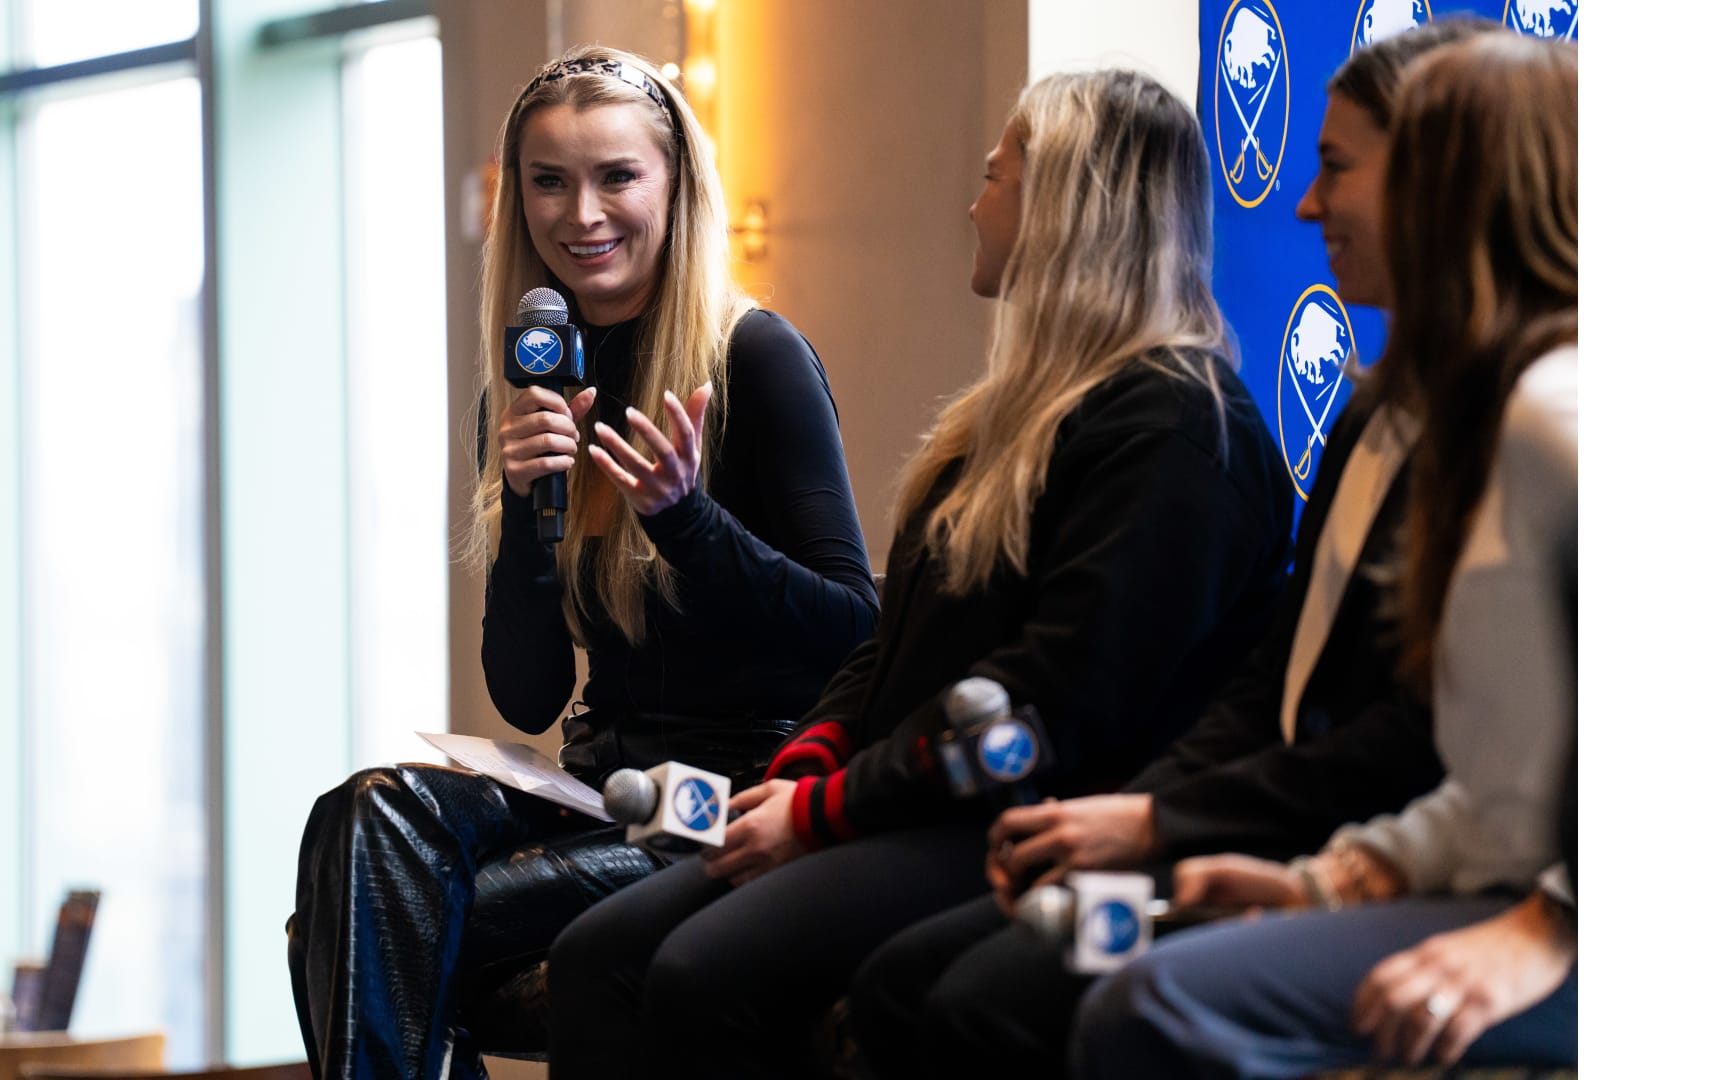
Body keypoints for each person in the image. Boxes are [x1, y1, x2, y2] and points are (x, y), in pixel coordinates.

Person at [546, 67, 1294, 1080]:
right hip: (905, 794)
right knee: (596, 954)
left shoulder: (1176, 425)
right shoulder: (1005, 419)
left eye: (996, 178)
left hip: (1019, 817)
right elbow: (889, 646)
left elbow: (1056, 701)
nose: (974, 206)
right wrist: (809, 768)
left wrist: (827, 812)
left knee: (696, 971)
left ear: (1066, 208)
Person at [845, 19, 1503, 1080]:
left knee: (973, 999)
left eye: (1336, 168)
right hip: (1286, 828)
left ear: (1441, 179)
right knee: (909, 983)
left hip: (1395, 861)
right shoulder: (1375, 412)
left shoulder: (1186, 422)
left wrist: (1163, 821)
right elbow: (1274, 687)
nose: (1304, 205)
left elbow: (1411, 744)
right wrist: (1153, 819)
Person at [285, 46, 880, 1080]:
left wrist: (688, 522)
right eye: (549, 181)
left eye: (616, 177)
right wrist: (525, 513)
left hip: (733, 794)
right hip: (600, 788)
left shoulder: (753, 358)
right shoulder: (526, 393)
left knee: (353, 927)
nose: (582, 214)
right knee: (364, 815)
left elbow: (853, 629)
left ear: (675, 186)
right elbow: (527, 694)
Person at [1073, 30, 1577, 1077]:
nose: (1309, 208)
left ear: (1468, 193)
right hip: (1494, 883)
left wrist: (1551, 925)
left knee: (1156, 1006)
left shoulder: (1557, 410)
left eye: (1364, 171)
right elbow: (1503, 793)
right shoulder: (1479, 411)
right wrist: (1335, 881)